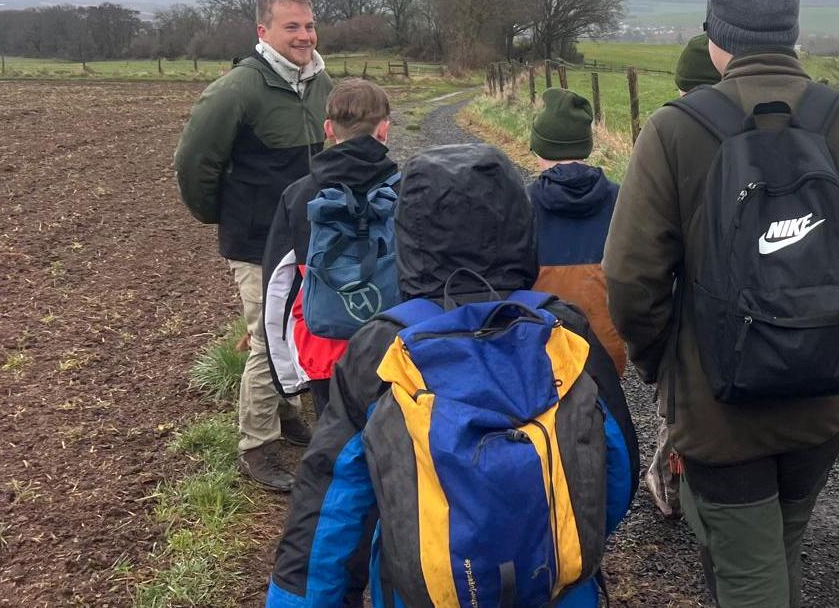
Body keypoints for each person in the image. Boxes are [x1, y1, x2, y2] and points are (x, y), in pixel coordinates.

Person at [605, 0, 839, 608]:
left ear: (715, 38)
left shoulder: (673, 132)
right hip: (821, 406)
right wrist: (826, 344)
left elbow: (633, 284)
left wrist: (667, 364)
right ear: (793, 33)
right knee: (779, 550)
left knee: (750, 574)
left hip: (719, 414)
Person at [266, 144, 637, 607]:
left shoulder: (382, 348)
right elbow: (618, 463)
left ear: (408, 235)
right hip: (555, 587)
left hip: (423, 588)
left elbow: (330, 505)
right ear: (522, 226)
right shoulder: (566, 329)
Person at [174, 0, 332, 491]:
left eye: (308, 25)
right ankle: (256, 445)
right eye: (292, 27)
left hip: (306, 235)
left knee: (295, 331)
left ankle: (284, 415)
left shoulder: (320, 81)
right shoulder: (237, 90)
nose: (304, 35)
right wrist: (218, 216)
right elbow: (194, 163)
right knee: (269, 338)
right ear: (263, 32)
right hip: (257, 240)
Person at [262, 78, 396, 422]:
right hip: (395, 346)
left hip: (323, 350)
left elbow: (278, 286)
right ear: (384, 129)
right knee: (396, 445)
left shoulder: (297, 196)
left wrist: (287, 378)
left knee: (336, 445)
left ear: (328, 129)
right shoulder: (408, 189)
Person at [642, 32, 725, 521]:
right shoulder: (751, 134)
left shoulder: (668, 133)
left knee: (675, 396)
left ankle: (669, 478)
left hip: (680, 295)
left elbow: (644, 247)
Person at [529, 87, 625, 373]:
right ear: (586, 146)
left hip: (540, 344)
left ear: (540, 148)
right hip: (608, 350)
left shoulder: (522, 202)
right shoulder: (621, 198)